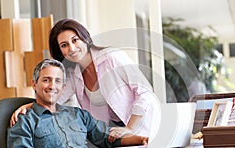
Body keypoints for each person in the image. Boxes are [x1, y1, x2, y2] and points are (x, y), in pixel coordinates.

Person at [7, 59, 148, 148]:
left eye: (57, 81)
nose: (52, 86)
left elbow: (108, 138)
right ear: (34, 84)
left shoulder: (78, 115)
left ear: (63, 87)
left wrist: (142, 139)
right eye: (46, 80)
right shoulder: (25, 120)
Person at [10, 18, 159, 136]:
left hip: (140, 127)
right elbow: (54, 99)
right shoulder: (72, 74)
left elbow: (145, 92)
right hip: (111, 134)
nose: (72, 49)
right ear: (60, 51)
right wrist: (27, 106)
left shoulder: (112, 57)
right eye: (64, 45)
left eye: (75, 40)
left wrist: (130, 128)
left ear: (84, 38)